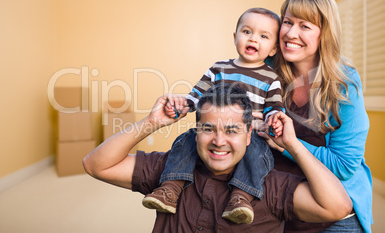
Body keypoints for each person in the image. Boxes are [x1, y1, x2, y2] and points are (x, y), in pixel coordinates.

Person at [82, 84, 353, 232]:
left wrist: (292, 145)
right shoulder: (170, 172)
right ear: (195, 132)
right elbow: (95, 165)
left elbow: (337, 207)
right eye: (208, 129)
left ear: (249, 135)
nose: (219, 141)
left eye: (232, 131)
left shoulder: (269, 186)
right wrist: (152, 122)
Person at [142, 7, 285, 225]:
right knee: (186, 140)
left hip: (249, 134)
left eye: (263, 36)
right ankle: (170, 189)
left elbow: (274, 107)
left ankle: (241, 197)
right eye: (247, 32)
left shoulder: (271, 78)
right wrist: (182, 105)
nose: (253, 39)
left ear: (273, 49)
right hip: (212, 128)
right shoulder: (219, 69)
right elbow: (197, 95)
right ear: (235, 37)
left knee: (258, 152)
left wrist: (273, 118)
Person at [259, 0, 372, 233]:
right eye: (287, 22)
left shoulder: (344, 84)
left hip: (335, 216)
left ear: (325, 35)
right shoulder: (263, 70)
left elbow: (343, 165)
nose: (291, 33)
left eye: (305, 26)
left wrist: (286, 144)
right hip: (278, 209)